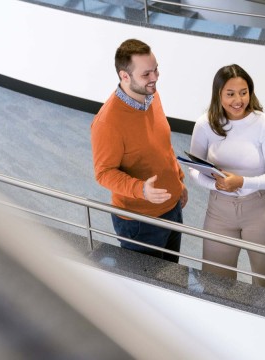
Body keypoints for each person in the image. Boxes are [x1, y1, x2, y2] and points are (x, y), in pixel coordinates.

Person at [91, 38, 188, 263]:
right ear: (125, 76)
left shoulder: (152, 96)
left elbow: (163, 145)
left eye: (156, 70)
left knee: (173, 277)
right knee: (151, 288)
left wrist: (178, 180)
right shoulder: (108, 123)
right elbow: (104, 173)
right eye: (146, 74)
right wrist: (141, 190)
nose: (154, 78)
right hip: (139, 223)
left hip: (172, 208)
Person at [189, 64, 265, 291]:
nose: (238, 100)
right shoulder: (205, 124)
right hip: (219, 210)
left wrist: (242, 182)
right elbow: (193, 168)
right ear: (218, 95)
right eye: (230, 94)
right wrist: (215, 184)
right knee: (215, 279)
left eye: (243, 92)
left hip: (260, 208)